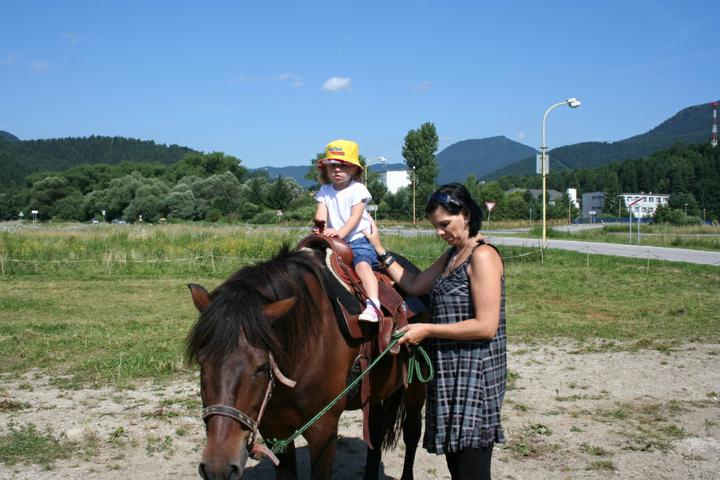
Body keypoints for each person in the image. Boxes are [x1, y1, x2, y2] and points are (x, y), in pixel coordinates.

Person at [367, 183, 506, 480]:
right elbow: (414, 284)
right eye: (435, 226)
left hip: (475, 372)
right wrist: (380, 250)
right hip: (451, 369)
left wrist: (427, 329)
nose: (440, 232)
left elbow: (486, 326)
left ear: (465, 215)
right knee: (457, 465)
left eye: (445, 224)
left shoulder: (482, 256)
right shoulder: (453, 255)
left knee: (471, 467)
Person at [313, 139, 381, 322]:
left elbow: (354, 218)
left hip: (356, 239)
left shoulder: (358, 190)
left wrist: (340, 233)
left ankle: (373, 305)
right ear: (326, 169)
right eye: (332, 165)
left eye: (343, 166)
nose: (337, 170)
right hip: (333, 240)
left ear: (353, 170)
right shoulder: (325, 190)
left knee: (362, 265)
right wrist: (319, 228)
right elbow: (321, 213)